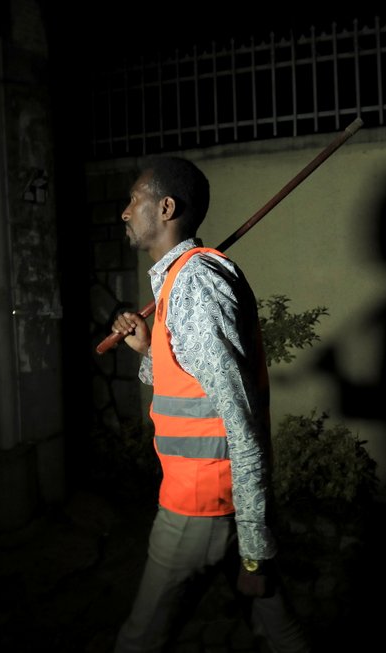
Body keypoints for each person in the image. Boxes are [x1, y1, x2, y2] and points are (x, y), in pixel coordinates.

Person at [109, 156, 311, 653]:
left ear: (167, 206)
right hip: (215, 504)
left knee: (138, 642)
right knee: (281, 631)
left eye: (135, 199)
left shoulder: (195, 285)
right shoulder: (180, 280)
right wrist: (149, 347)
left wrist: (256, 547)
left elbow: (238, 420)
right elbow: (192, 384)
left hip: (198, 507)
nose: (125, 211)